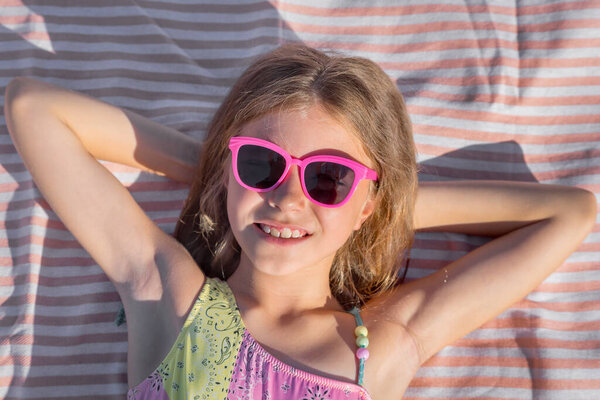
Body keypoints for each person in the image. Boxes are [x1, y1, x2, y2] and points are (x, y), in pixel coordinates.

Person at [4, 44, 596, 400]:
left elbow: (568, 212)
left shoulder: (385, 342)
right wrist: (218, 169)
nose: (288, 198)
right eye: (262, 164)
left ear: (367, 201)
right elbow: (33, 108)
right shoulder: (170, 295)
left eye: (328, 177)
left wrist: (377, 209)